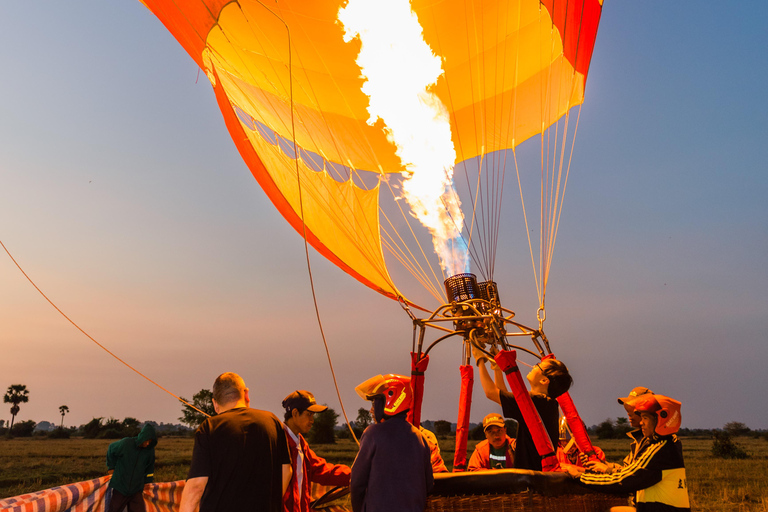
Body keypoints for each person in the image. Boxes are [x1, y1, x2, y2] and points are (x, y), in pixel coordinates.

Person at [179, 372, 292, 512]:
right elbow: (287, 470)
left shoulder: (210, 427)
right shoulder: (272, 421)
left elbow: (196, 486)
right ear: (246, 395)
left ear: (215, 403)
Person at [566, 394, 690, 512]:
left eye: (645, 418)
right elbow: (630, 472)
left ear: (662, 418)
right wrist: (602, 469)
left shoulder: (660, 450)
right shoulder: (668, 444)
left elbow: (624, 480)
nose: (641, 422)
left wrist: (579, 477)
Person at [350, 374, 434, 512]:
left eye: (375, 403)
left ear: (391, 399)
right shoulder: (421, 438)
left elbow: (357, 482)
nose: (371, 409)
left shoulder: (373, 434)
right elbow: (429, 484)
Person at [476, 351, 572, 471]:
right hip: (537, 474)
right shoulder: (547, 404)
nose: (533, 366)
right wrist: (497, 368)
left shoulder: (535, 402)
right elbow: (502, 395)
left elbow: (490, 393)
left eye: (538, 366)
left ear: (544, 380)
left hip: (530, 477)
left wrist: (479, 360)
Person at [281, 390, 351, 512]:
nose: (312, 420)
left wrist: (357, 475)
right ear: (295, 413)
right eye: (309, 414)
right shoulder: (278, 443)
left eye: (313, 415)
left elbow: (322, 471)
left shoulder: (301, 444)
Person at [584, 387, 654, 475]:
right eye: (627, 408)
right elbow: (627, 468)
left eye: (633, 408)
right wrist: (602, 464)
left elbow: (633, 476)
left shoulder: (652, 442)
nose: (628, 413)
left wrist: (607, 470)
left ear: (646, 411)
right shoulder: (640, 439)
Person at [105, 423, 157, 512]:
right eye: (147, 440)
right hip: (120, 487)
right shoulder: (126, 443)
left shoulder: (150, 451)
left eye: (150, 441)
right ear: (142, 437)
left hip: (136, 490)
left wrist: (147, 482)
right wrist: (111, 468)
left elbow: (150, 468)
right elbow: (111, 449)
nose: (148, 443)